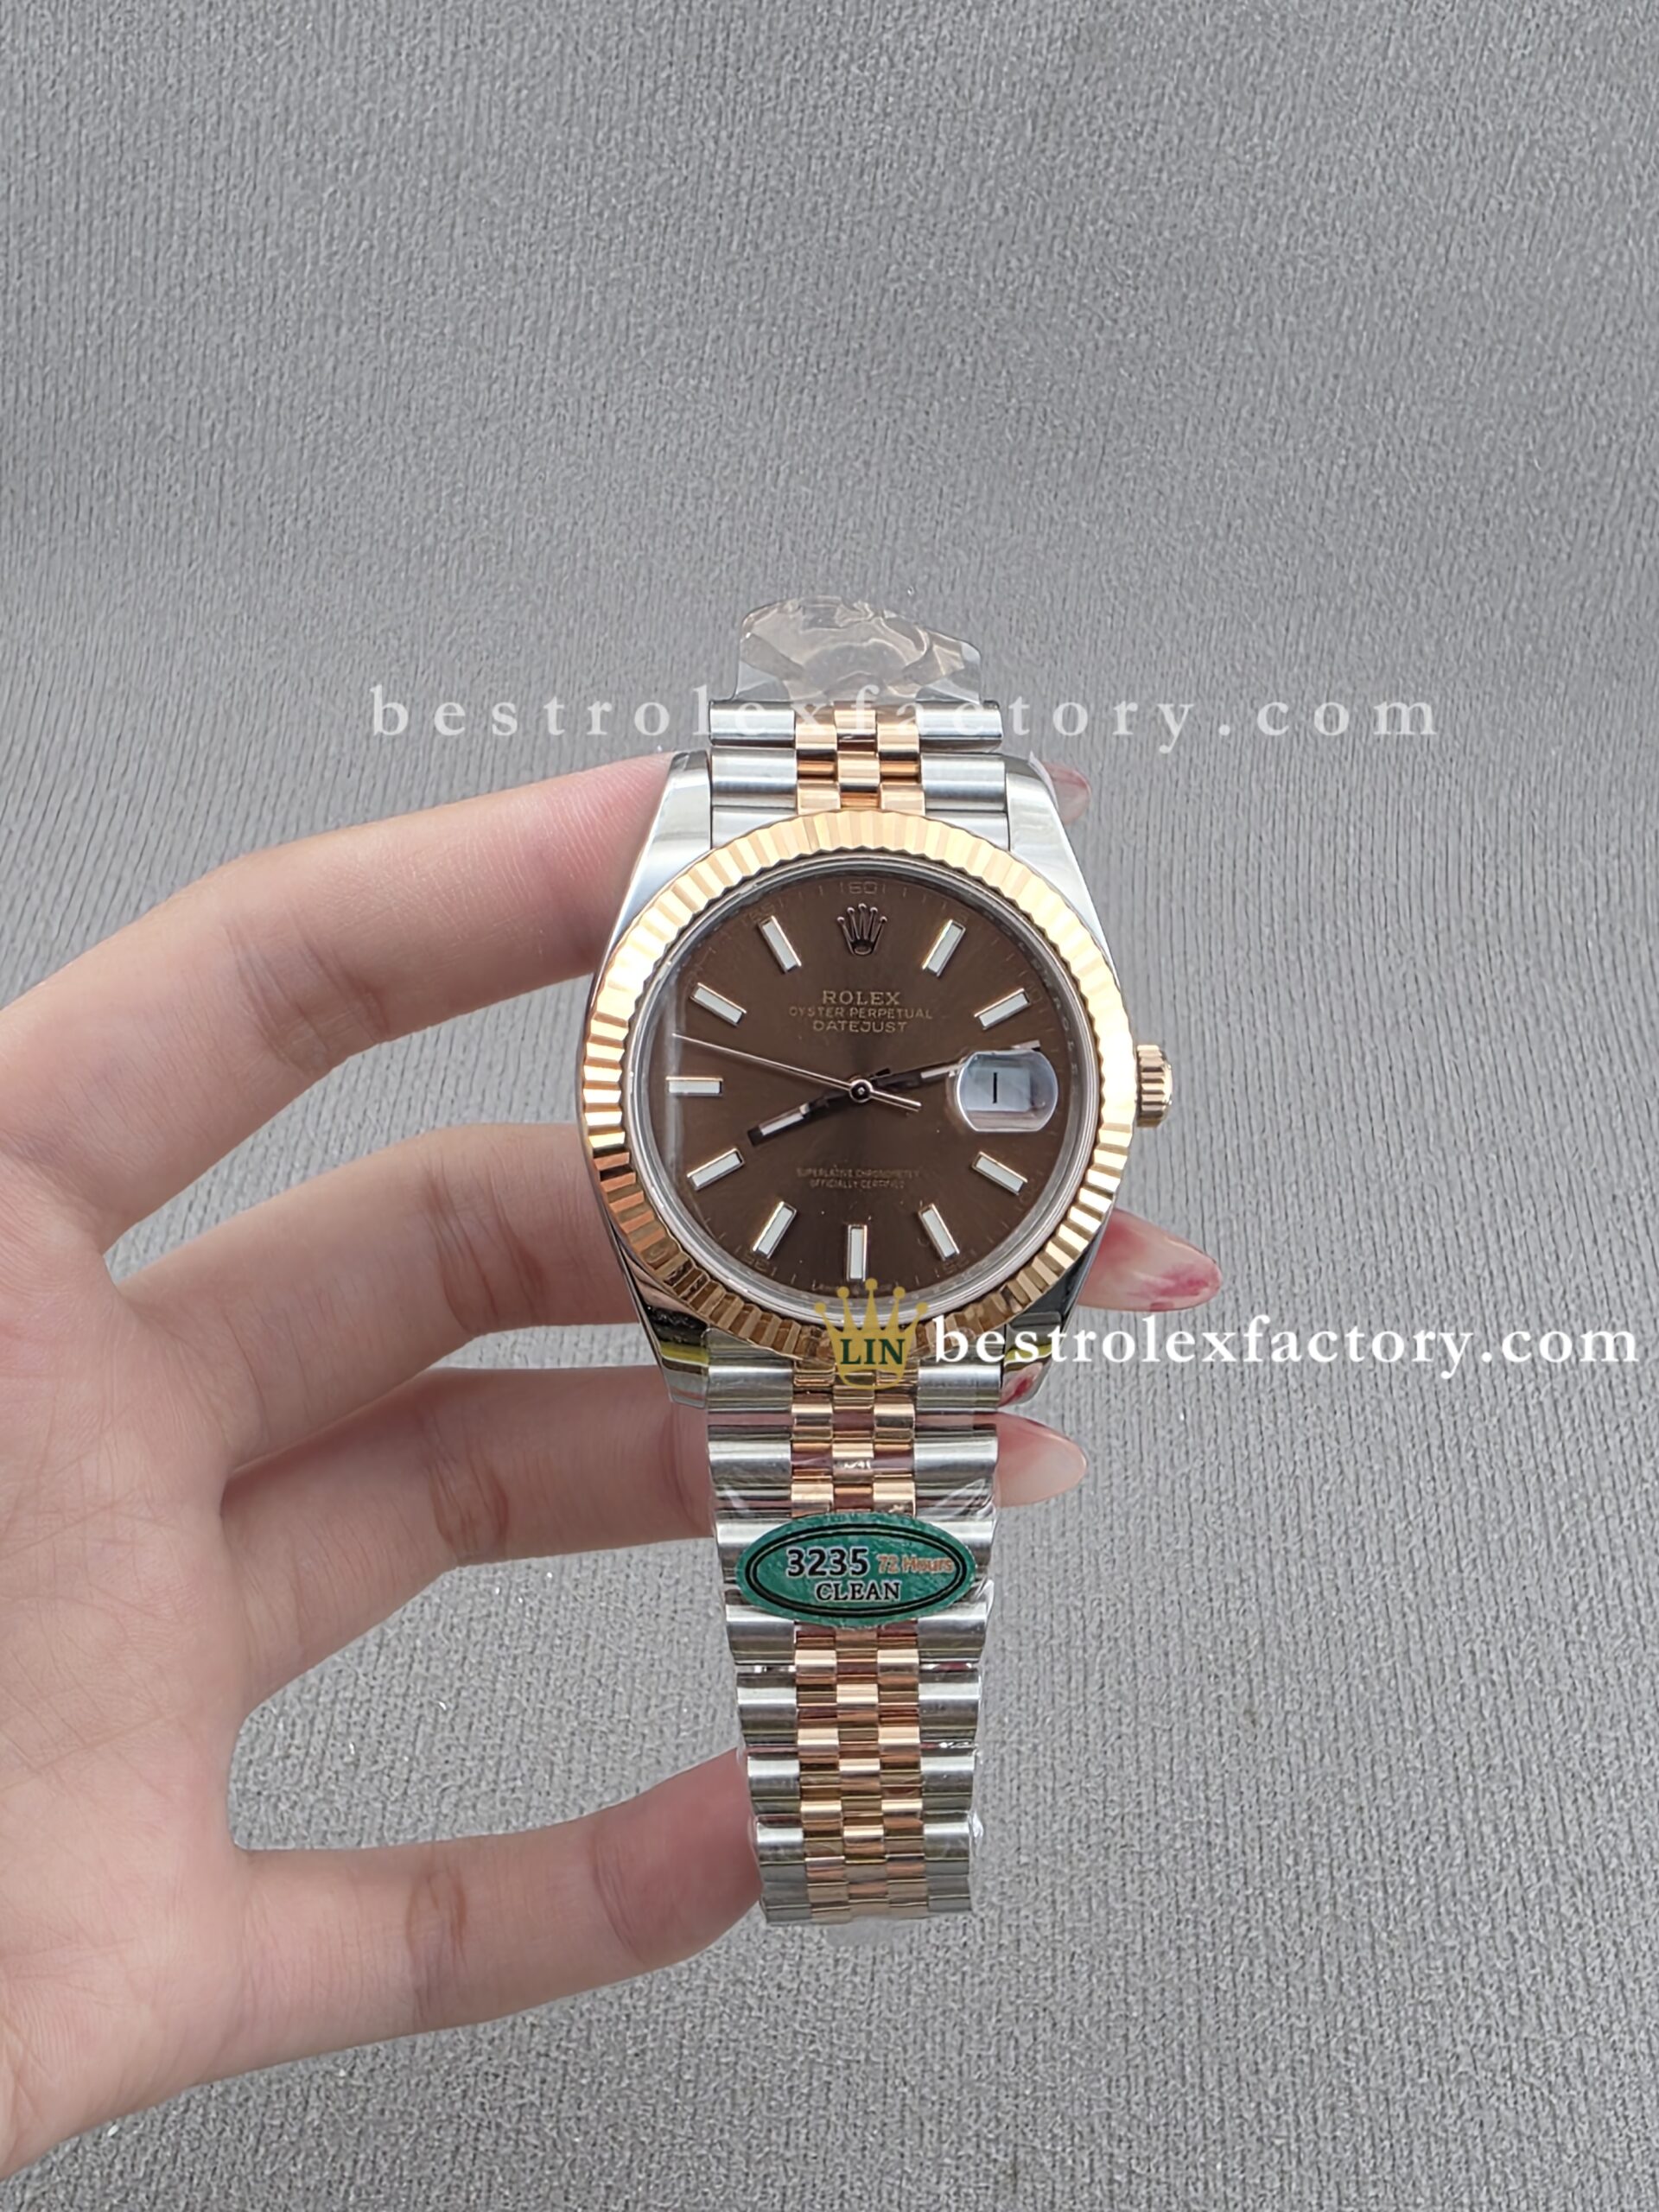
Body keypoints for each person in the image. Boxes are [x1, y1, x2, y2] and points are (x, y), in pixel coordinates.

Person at [0, 754, 1219, 2172]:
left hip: (899, 1289)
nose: (862, 1094)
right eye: (842, 1086)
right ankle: (864, 1816)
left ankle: (868, 1818)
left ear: (1120, 1091)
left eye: (884, 1084)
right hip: (816, 1288)